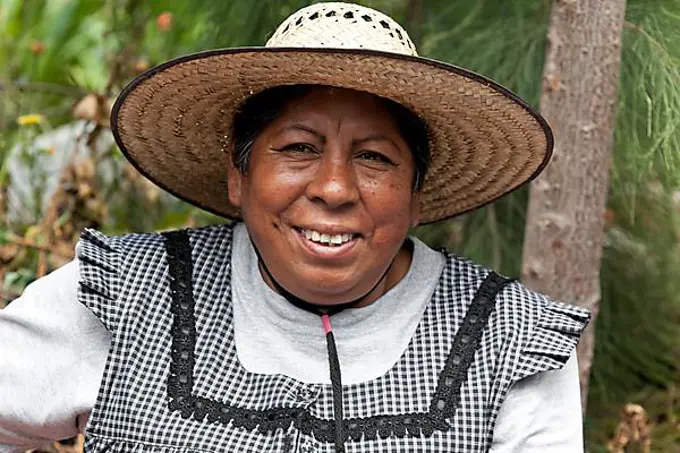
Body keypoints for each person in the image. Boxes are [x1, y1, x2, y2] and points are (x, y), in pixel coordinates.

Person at [0, 2, 590, 453]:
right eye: (299, 148)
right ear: (239, 175)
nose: (334, 189)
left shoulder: (509, 342)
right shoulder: (129, 295)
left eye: (375, 157)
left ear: (416, 196)